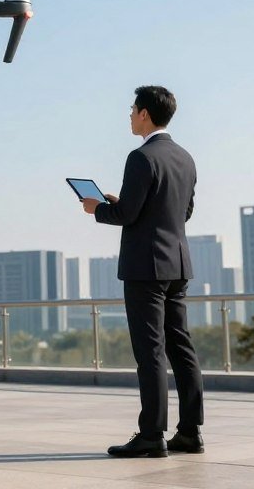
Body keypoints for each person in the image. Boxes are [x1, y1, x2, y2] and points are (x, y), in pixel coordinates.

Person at [81, 85, 204, 458]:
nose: (130, 115)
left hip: (145, 268)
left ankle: (151, 434)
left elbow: (127, 215)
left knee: (150, 352)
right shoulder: (185, 158)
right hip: (177, 263)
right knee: (181, 347)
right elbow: (182, 212)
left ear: (146, 114)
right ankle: (190, 432)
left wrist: (97, 209)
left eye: (133, 109)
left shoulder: (140, 157)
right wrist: (129, 206)